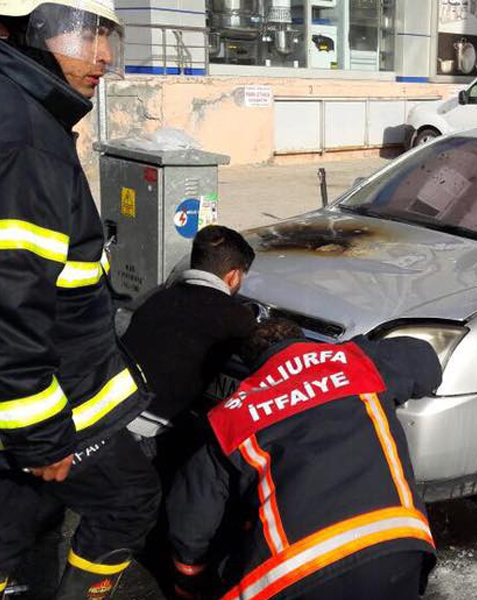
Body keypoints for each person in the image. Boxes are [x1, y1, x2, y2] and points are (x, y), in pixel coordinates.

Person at [0, 2, 160, 599]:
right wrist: (42, 436)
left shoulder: (22, 113)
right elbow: (9, 306)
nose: (104, 54)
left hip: (36, 399)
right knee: (128, 499)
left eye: (107, 35)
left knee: (21, 524)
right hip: (49, 404)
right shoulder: (28, 141)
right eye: (87, 32)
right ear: (21, 28)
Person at [167, 318, 443, 600]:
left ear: (251, 363)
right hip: (394, 546)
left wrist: (188, 583)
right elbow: (426, 363)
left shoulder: (231, 416)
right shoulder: (356, 359)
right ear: (301, 340)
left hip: (293, 575)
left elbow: (190, 522)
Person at [122, 224, 257, 458]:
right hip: (149, 435)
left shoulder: (158, 298)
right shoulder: (234, 316)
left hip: (110, 414)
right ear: (233, 276)